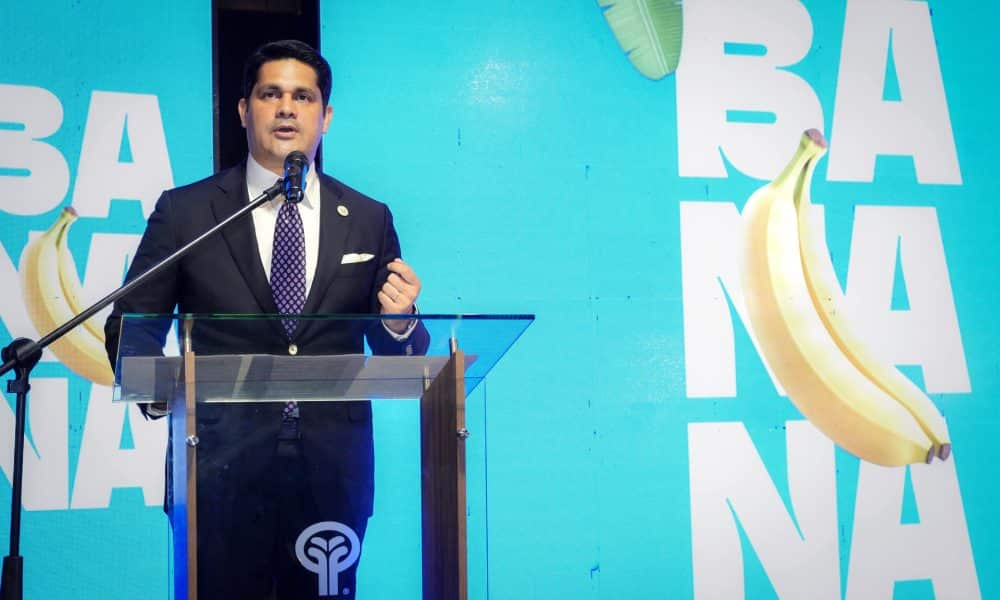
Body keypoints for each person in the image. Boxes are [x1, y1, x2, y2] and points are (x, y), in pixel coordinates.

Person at [104, 39, 429, 599]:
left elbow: (401, 354)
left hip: (332, 472)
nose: (286, 108)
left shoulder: (369, 219)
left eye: (303, 96)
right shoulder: (187, 212)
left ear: (324, 115)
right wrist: (163, 394)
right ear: (243, 110)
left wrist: (400, 322)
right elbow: (132, 324)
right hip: (215, 468)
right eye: (270, 94)